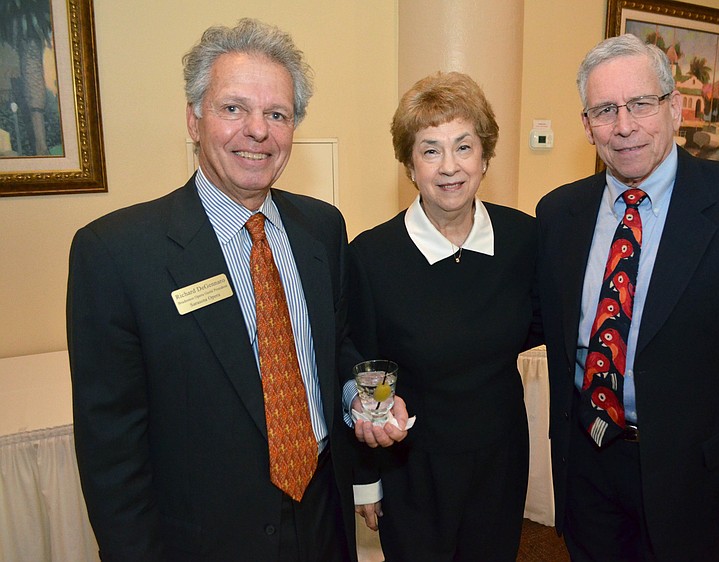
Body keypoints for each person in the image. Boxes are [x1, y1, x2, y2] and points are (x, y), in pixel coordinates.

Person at [67, 19, 360, 561]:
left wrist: (357, 397)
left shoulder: (324, 229)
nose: (257, 130)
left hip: (323, 519)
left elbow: (336, 348)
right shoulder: (115, 254)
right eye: (233, 108)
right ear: (193, 120)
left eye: (277, 114)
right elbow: (112, 451)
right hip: (203, 540)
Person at [536, 34, 719, 561]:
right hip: (588, 464)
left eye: (641, 104)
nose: (624, 126)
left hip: (696, 480)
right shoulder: (558, 213)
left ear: (676, 108)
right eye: (604, 110)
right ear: (586, 124)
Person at [346, 71, 541, 561]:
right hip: (411, 469)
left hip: (499, 462)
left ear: (485, 156)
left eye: (464, 147)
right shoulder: (370, 256)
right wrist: (366, 480)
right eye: (430, 149)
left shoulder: (525, 241)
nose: (449, 167)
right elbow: (360, 366)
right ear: (409, 165)